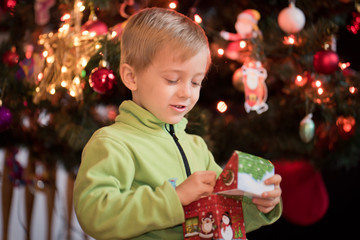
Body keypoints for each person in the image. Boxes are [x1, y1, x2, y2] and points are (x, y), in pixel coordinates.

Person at [73, 7, 282, 240]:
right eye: (172, 80)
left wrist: (259, 202)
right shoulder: (113, 143)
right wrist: (174, 198)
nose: (186, 93)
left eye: (196, 82)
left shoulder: (197, 147)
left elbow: (224, 212)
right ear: (131, 77)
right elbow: (95, 214)